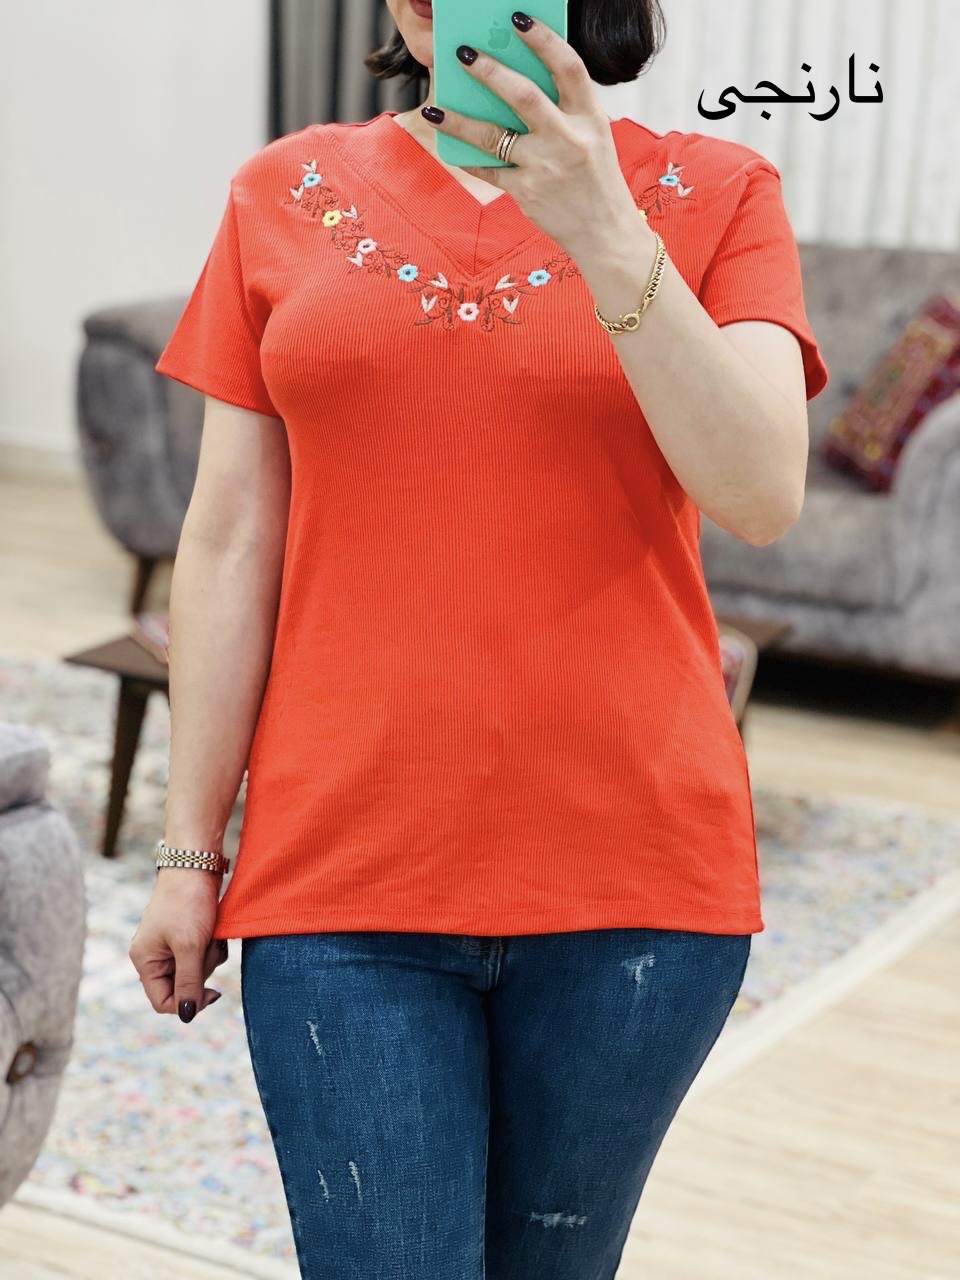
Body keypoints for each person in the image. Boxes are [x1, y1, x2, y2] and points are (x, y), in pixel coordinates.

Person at [129, 2, 829, 1275]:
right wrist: (188, 851)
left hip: (636, 886)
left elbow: (760, 494)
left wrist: (603, 226)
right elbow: (229, 541)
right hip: (338, 868)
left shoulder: (720, 189)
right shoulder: (283, 191)